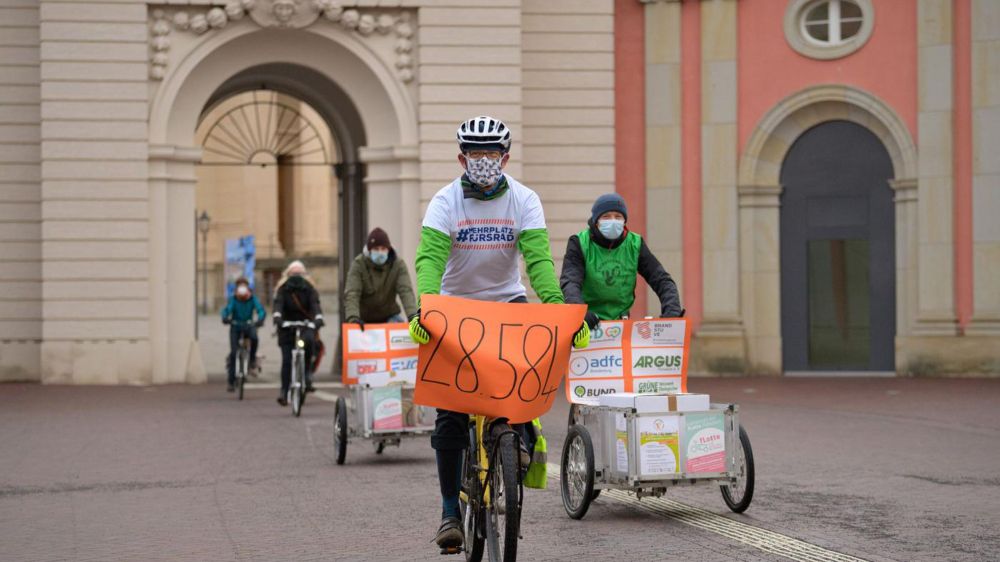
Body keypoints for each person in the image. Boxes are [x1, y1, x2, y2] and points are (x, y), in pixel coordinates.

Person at [407, 116, 590, 549]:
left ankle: (519, 438)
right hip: (454, 309)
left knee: (522, 383)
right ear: (461, 158)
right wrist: (426, 307)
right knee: (450, 414)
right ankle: (450, 511)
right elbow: (429, 259)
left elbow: (539, 262)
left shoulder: (525, 200)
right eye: (476, 155)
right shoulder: (445, 201)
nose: (484, 162)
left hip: (508, 304)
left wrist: (561, 314)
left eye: (492, 155)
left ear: (505, 158)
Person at [560, 193, 683, 327]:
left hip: (621, 324)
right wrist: (579, 310)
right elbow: (570, 281)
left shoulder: (634, 244)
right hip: (587, 323)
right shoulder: (579, 243)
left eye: (618, 217)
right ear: (596, 221)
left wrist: (672, 311)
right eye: (606, 216)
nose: (613, 221)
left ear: (624, 221)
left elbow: (661, 280)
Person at [272, 260, 324, 406]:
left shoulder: (310, 289)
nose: (297, 276)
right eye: (294, 273)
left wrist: (318, 319)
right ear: (288, 274)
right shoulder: (282, 289)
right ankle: (284, 391)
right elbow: (278, 306)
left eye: (300, 273)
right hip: (287, 327)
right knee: (287, 359)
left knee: (309, 343)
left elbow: (315, 306)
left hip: (305, 326)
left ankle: (307, 375)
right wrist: (278, 318)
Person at [343, 227, 418, 329]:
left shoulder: (398, 265)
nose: (380, 252)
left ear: (389, 249)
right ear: (369, 250)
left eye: (383, 249)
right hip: (363, 319)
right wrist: (353, 318)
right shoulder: (359, 264)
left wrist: (413, 316)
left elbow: (405, 291)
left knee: (399, 333)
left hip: (389, 316)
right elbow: (352, 293)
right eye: (376, 249)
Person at [220, 277, 266, 392]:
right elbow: (227, 309)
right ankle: (231, 381)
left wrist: (260, 319)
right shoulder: (234, 299)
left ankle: (251, 360)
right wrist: (225, 317)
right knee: (234, 352)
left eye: (244, 285)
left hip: (248, 325)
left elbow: (260, 309)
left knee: (254, 339)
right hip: (235, 326)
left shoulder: (252, 299)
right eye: (240, 285)